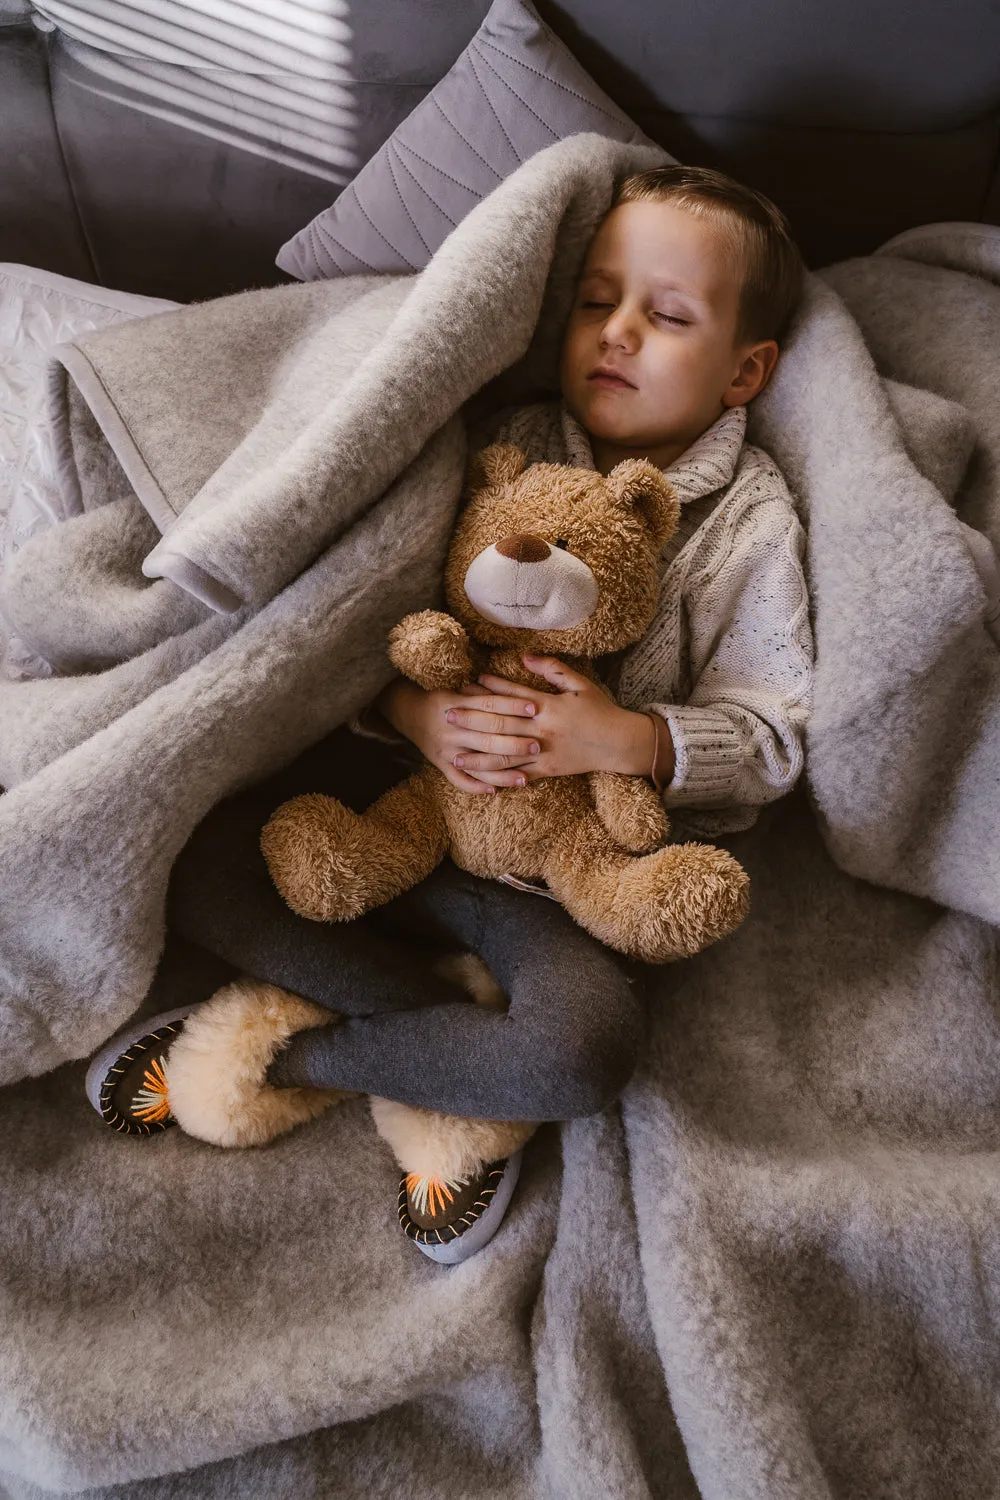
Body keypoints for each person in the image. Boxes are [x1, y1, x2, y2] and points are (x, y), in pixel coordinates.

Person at [85, 164, 814, 1264]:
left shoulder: (750, 523)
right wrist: (416, 718)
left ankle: (271, 1053)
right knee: (191, 859)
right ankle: (444, 1045)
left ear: (743, 370)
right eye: (592, 301)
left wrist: (626, 739)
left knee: (581, 1054)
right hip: (410, 822)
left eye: (664, 316)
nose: (615, 333)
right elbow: (359, 620)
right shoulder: (500, 441)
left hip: (571, 888)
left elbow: (776, 733)